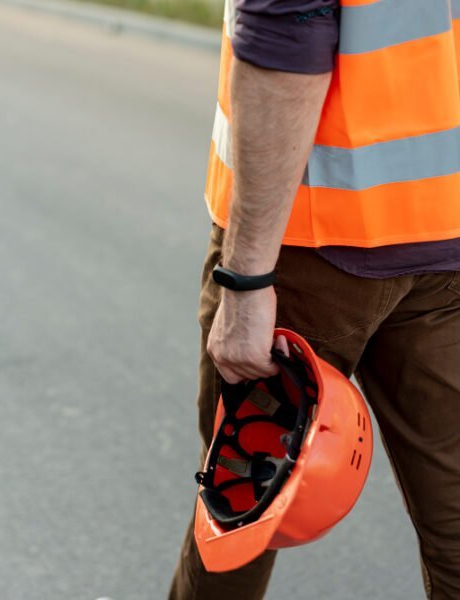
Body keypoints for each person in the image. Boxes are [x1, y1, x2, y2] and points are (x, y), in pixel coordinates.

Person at [169, 1, 460, 598]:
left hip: (312, 239)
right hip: (447, 223)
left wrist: (247, 282)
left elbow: (286, 33)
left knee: (242, 513)